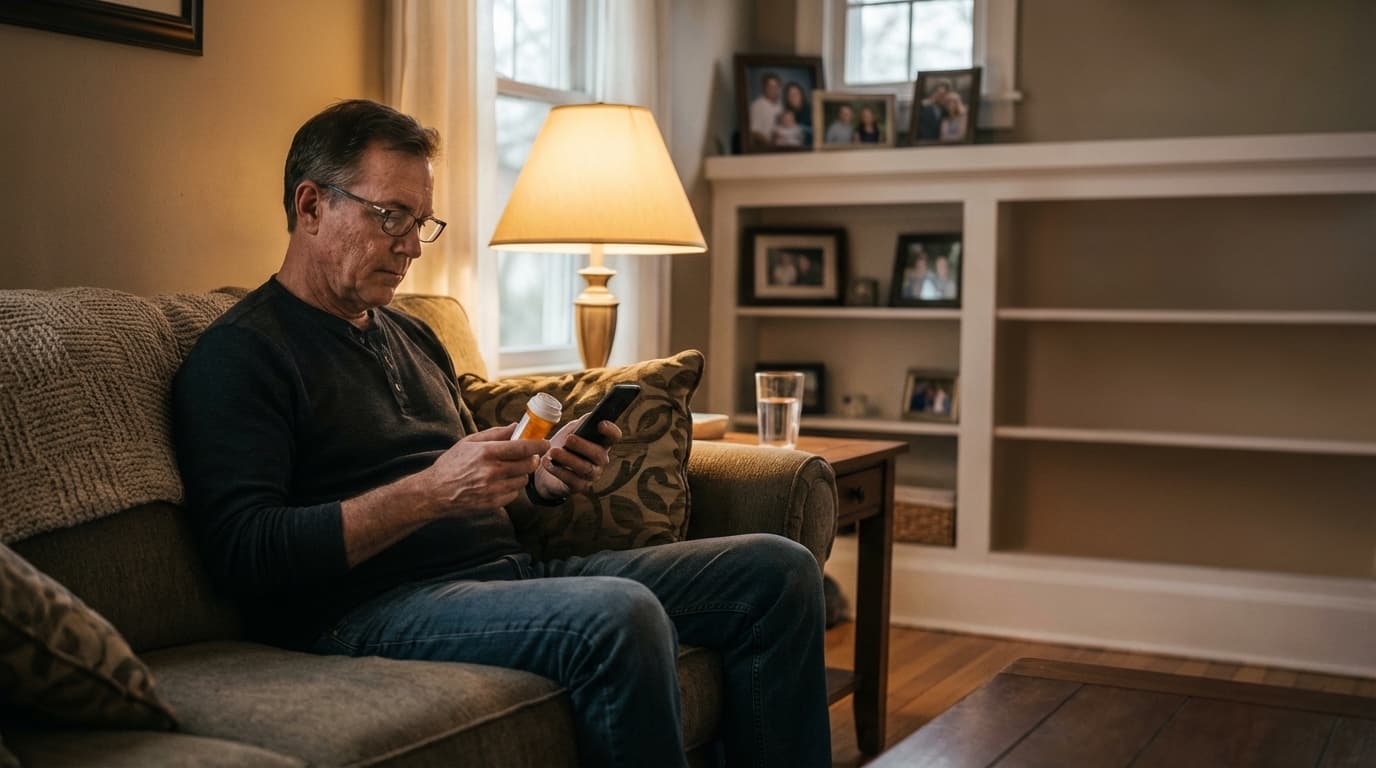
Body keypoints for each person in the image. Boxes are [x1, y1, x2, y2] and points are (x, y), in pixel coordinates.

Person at [172, 99, 830, 768]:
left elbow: (473, 494)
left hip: (508, 576)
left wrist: (539, 480)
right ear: (310, 206)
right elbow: (244, 551)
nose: (409, 245)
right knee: (620, 613)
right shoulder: (244, 353)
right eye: (391, 216)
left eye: (420, 221)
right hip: (367, 607)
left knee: (779, 571)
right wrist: (429, 492)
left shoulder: (411, 333)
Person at [749, 71, 783, 148]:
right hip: (765, 148)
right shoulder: (757, 105)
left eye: (776, 87)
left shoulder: (780, 105)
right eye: (770, 87)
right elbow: (754, 132)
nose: (774, 90)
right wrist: (771, 144)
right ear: (764, 88)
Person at [783, 81, 813, 146]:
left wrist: (798, 127)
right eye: (790, 95)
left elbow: (817, 132)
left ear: (801, 95)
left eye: (796, 94)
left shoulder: (811, 110)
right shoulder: (786, 113)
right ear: (787, 98)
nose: (794, 97)